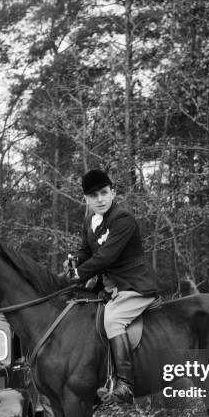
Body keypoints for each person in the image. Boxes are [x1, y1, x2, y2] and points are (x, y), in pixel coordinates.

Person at [69, 168, 159, 403]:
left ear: (113, 193)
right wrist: (72, 264)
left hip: (134, 286)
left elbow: (106, 257)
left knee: (112, 320)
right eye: (93, 196)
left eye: (103, 193)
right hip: (109, 288)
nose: (99, 199)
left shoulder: (123, 219)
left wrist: (79, 273)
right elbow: (85, 251)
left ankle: (125, 384)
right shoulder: (89, 219)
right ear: (86, 199)